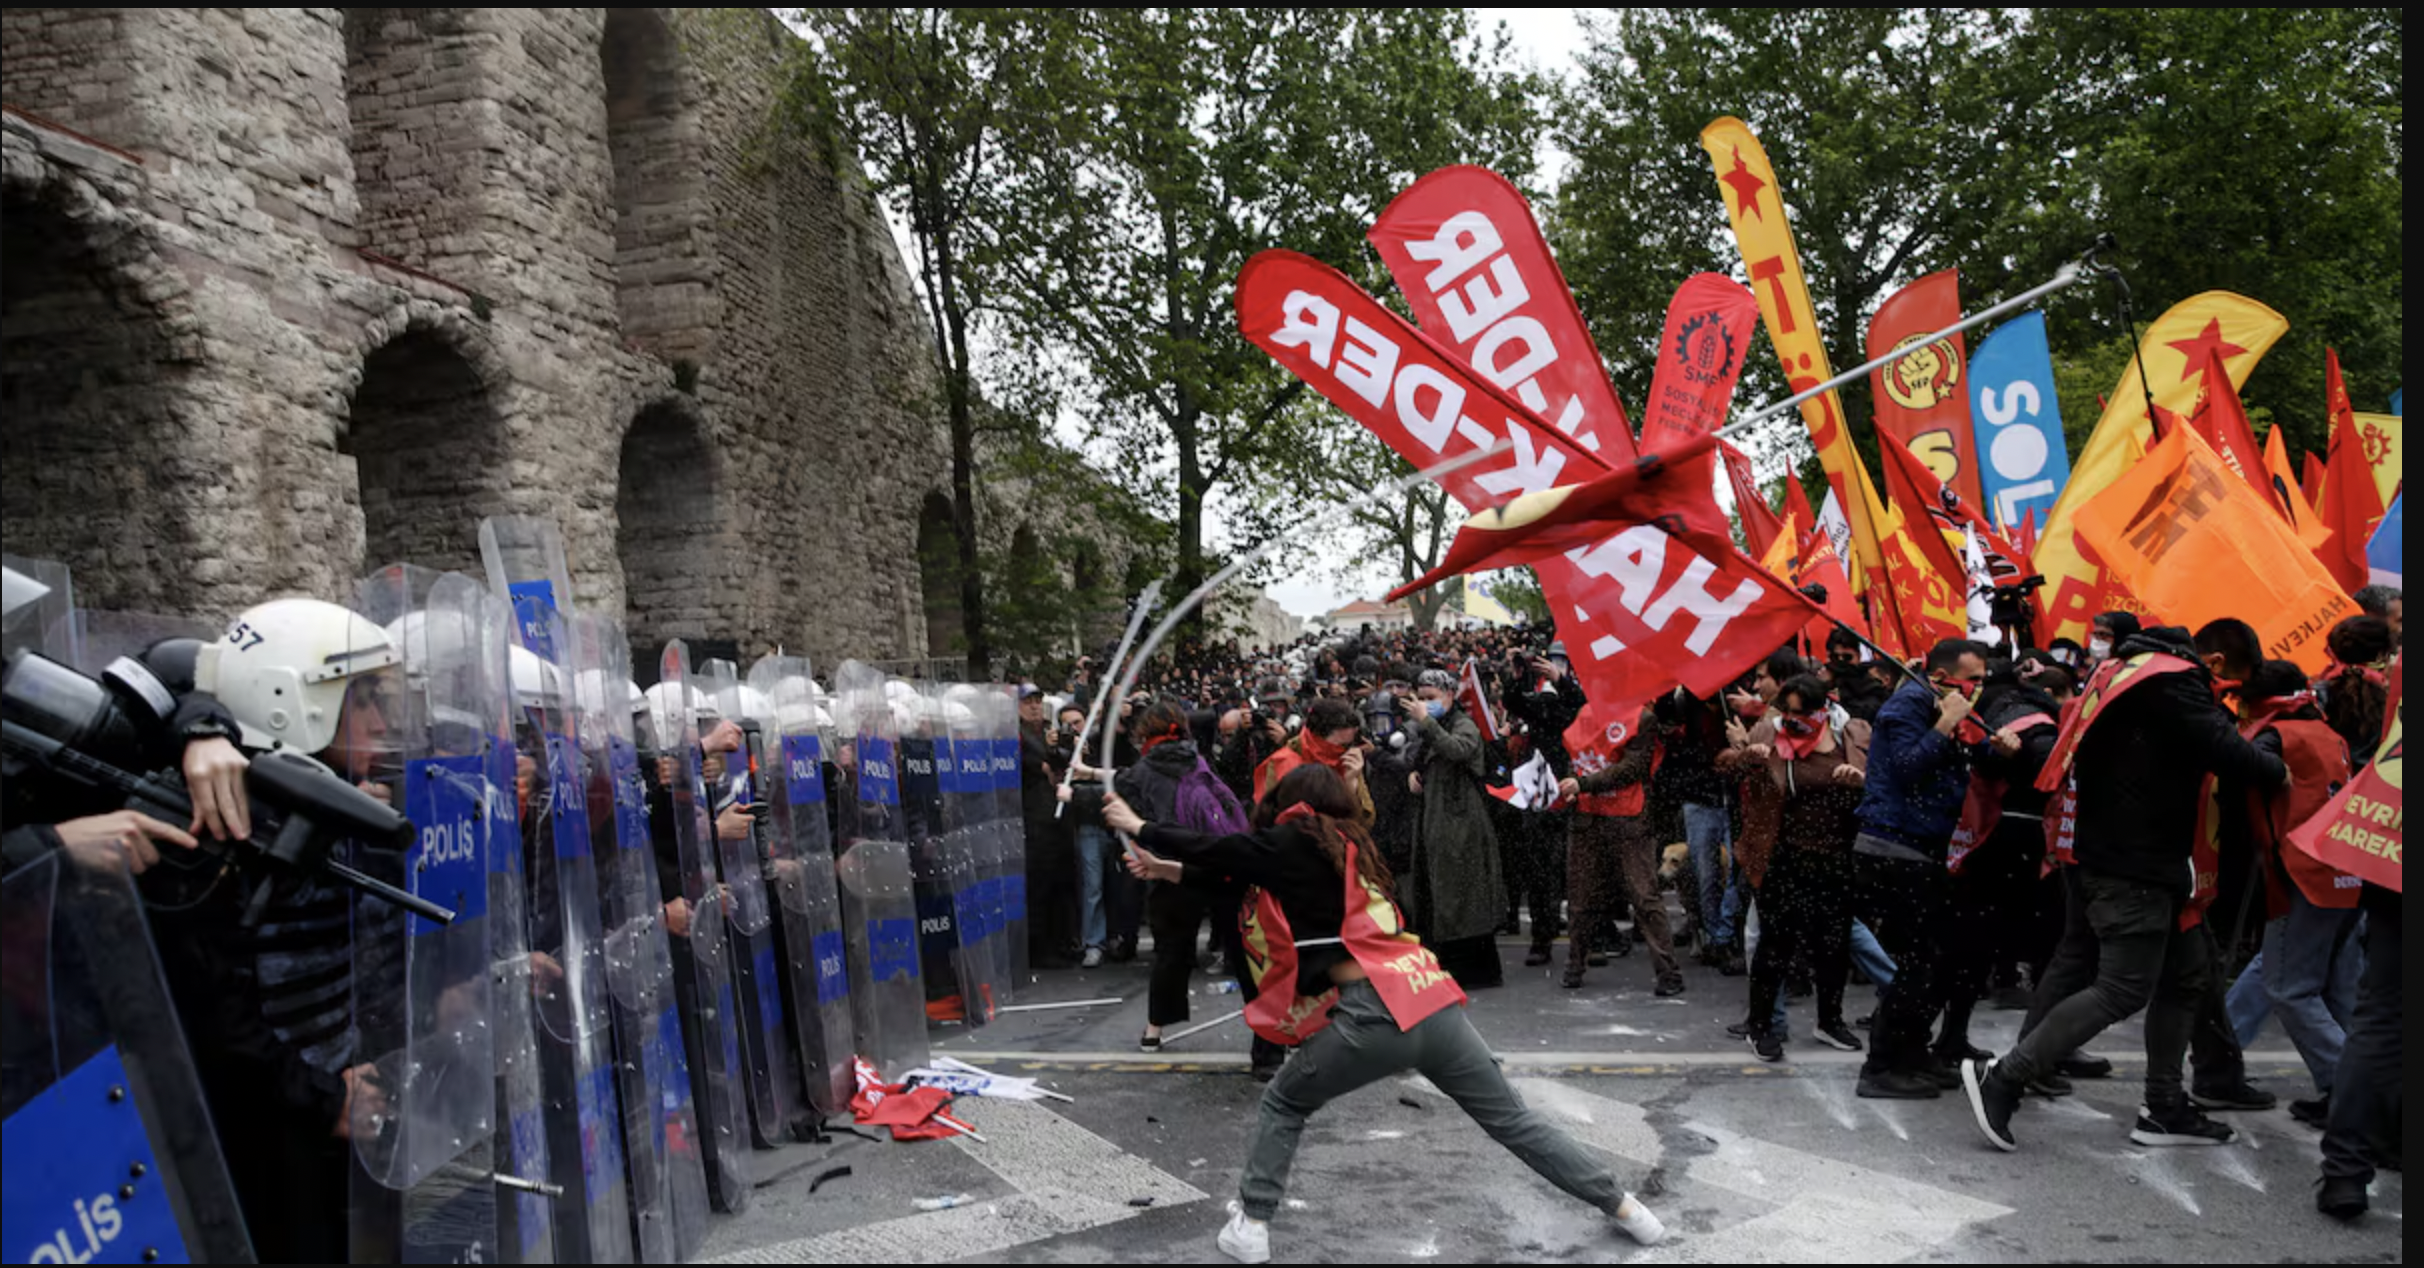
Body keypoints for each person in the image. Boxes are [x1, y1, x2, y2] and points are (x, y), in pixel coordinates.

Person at [1105, 765, 1665, 1263]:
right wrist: (1168, 869)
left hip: (1373, 1013)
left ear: (1293, 804)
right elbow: (1238, 874)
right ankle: (1626, 1208)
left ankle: (1251, 1226)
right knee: (1514, 1121)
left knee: (1283, 1101)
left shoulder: (1296, 838)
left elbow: (1223, 850)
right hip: (1430, 996)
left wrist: (1139, 825)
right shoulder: (1350, 845)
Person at [1962, 619, 2290, 1152]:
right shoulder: (2173, 681)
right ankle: (2005, 1077)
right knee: (2122, 986)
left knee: (2186, 977)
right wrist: (2278, 767)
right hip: (2134, 864)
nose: (2225, 697)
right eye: (2228, 686)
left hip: (2130, 858)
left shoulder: (2125, 671)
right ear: (2213, 663)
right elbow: (2231, 753)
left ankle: (2164, 1107)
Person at [1851, 639, 2013, 1100]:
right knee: (1916, 964)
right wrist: (1945, 723)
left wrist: (1998, 749)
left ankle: (1912, 1054)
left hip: (1927, 847)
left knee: (1936, 961)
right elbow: (1907, 767)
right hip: (1893, 848)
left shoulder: (1947, 709)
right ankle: (1881, 1067)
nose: (1979, 688)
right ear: (1942, 678)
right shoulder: (1908, 706)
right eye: (1973, 680)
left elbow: (1962, 764)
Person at [2219, 660, 2360, 1127]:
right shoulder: (2329, 733)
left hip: (2303, 873)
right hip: (2344, 871)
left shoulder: (2276, 738)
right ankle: (2356, 1089)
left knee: (2289, 988)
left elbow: (2239, 776)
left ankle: (2353, 1093)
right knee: (2334, 989)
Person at [1731, 674, 1870, 1059]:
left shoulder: (1849, 734)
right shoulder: (1769, 732)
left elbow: (1877, 785)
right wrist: (1748, 756)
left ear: (1823, 709)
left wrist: (1857, 781)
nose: (1794, 720)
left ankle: (1830, 1021)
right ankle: (1761, 1026)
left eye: (1803, 713)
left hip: (1835, 856)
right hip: (1782, 856)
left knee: (1833, 944)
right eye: (1787, 712)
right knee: (1775, 945)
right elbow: (1727, 768)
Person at [1558, 703, 1682, 995]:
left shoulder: (1642, 718)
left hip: (1628, 817)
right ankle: (1575, 964)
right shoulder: (1585, 713)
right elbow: (1576, 758)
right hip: (1588, 816)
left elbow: (1633, 768)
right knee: (1580, 897)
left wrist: (1581, 783)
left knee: (1644, 896)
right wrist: (1570, 786)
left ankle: (1669, 974)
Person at [1401, 668, 1507, 988]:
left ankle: (1472, 970)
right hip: (1436, 819)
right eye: (1421, 698)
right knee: (1438, 893)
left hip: (1461, 822)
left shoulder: (1463, 723)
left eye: (1431, 697)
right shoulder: (1433, 726)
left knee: (1464, 894)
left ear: (1449, 695)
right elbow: (1427, 758)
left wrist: (1426, 721)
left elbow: (1457, 749)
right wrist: (1415, 775)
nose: (1424, 703)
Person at [1018, 684, 1079, 968]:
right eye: (1027, 701)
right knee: (1039, 885)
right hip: (1034, 817)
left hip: (1057, 816)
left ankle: (1062, 940)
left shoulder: (1046, 731)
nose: (1034, 706)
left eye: (1037, 700)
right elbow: (1038, 767)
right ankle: (1040, 947)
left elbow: (1060, 765)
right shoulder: (1017, 735)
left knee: (1061, 882)